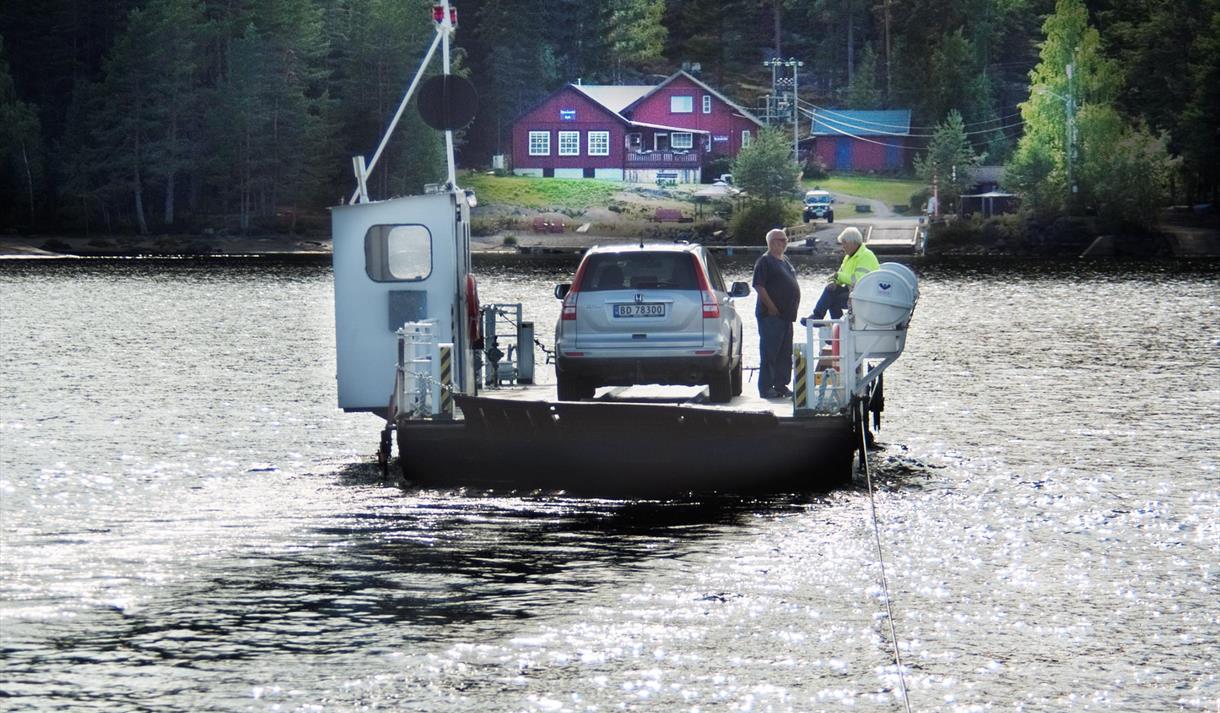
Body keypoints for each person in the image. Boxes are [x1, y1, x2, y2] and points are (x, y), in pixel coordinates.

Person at [752, 228, 801, 399]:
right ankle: (766, 388)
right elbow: (758, 285)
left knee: (784, 353)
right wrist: (771, 306)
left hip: (787, 316)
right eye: (782, 240)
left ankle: (781, 385)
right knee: (769, 352)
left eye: (786, 240)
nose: (786, 243)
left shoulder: (785, 260)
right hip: (771, 316)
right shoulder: (765, 261)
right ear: (772, 242)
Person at [806, 226, 879, 322]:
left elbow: (859, 280)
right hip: (853, 293)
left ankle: (826, 319)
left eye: (844, 243)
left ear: (853, 242)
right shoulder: (848, 257)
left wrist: (838, 276)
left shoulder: (866, 256)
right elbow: (838, 275)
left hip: (865, 296)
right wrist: (833, 281)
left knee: (832, 299)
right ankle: (826, 319)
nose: (843, 246)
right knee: (830, 291)